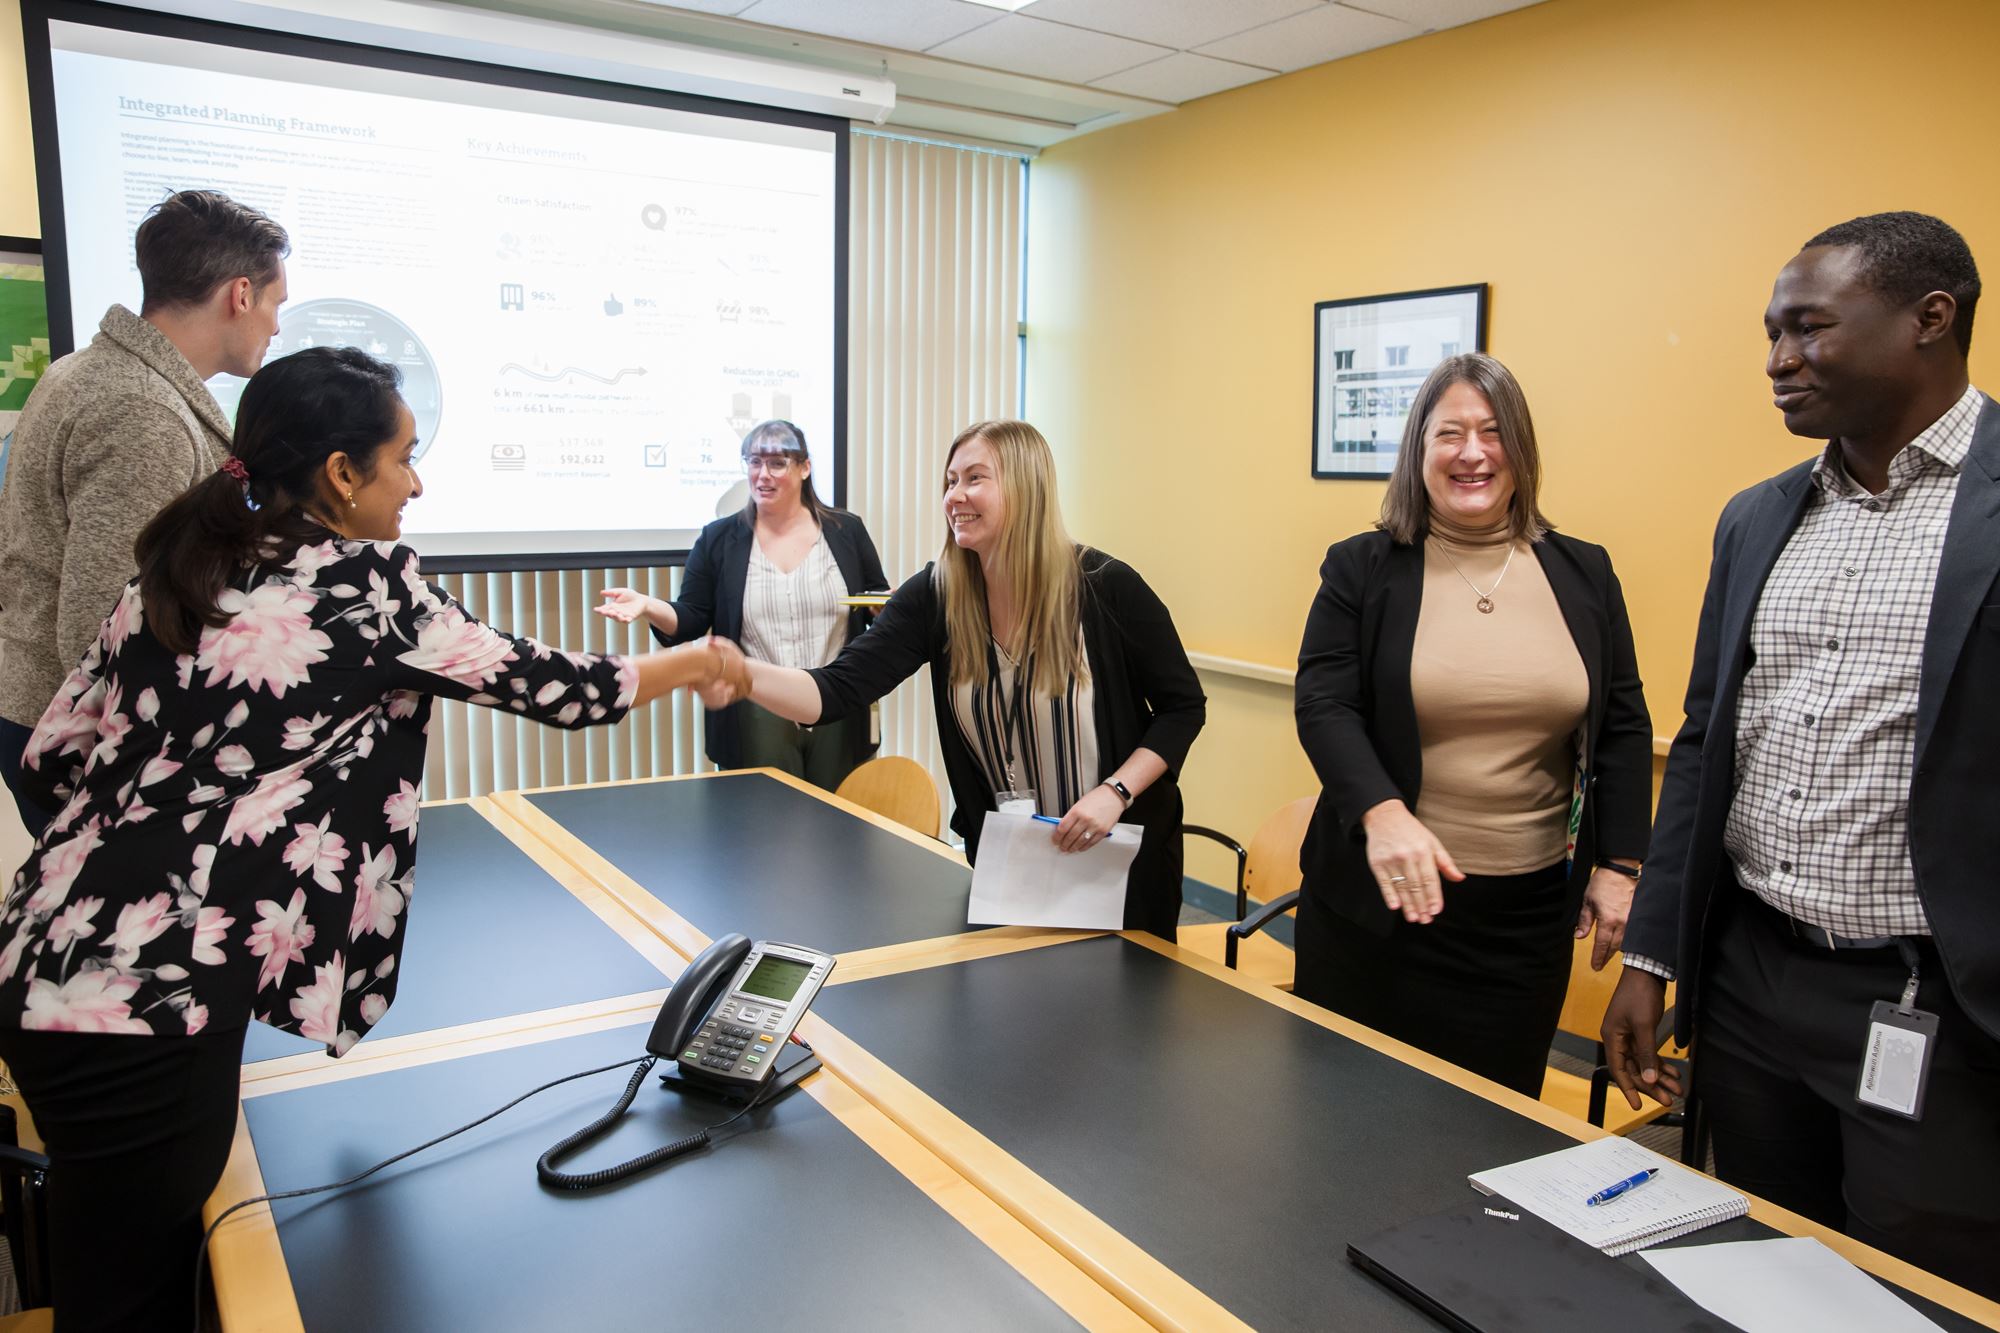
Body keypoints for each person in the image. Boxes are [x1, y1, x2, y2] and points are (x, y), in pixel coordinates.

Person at [0, 347, 745, 1331]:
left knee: (129, 1258)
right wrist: (691, 659)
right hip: (155, 997)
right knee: (131, 1294)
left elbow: (55, 756)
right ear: (343, 474)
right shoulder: (365, 587)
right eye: (403, 457)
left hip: (41, 959)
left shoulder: (175, 571)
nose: (418, 480)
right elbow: (562, 687)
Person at [1604, 213, 1999, 1299]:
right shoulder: (1759, 518)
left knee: (1919, 1289)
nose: (1776, 361)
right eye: (1769, 334)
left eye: (1806, 329)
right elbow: (1702, 746)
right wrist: (1651, 952)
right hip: (1749, 980)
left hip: (1933, 1001)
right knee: (1768, 1265)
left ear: (1930, 319)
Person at [1293, 353, 1652, 1097]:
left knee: (1492, 1125)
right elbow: (1325, 703)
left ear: (1519, 449)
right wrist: (1383, 813)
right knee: (1348, 1119)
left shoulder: (1585, 572)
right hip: (1378, 903)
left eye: (1492, 432)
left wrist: (1620, 865)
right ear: (1418, 451)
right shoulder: (1362, 567)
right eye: (1449, 433)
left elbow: (1621, 725)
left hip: (1524, 922)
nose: (1472, 452)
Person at [711, 419, 1205, 938]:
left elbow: (1182, 707)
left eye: (974, 478)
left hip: (1119, 867)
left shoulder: (1107, 588)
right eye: (950, 481)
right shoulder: (936, 597)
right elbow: (833, 691)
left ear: (1024, 486)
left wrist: (1116, 792)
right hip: (1012, 866)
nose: (955, 496)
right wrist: (742, 673)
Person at [0, 189, 292, 840]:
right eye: (277, 304)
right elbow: (104, 623)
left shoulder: (86, 372)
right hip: (89, 740)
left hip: (41, 711)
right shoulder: (145, 415)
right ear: (240, 295)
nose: (276, 326)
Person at [596, 420, 888, 789]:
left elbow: (877, 603)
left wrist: (884, 607)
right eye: (754, 462)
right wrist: (649, 605)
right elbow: (690, 619)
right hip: (757, 714)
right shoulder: (719, 539)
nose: (763, 474)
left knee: (842, 826)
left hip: (838, 706)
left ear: (804, 467)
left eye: (777, 463)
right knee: (765, 830)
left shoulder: (847, 531)